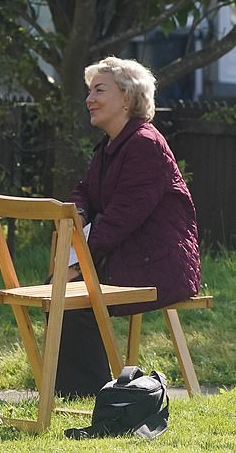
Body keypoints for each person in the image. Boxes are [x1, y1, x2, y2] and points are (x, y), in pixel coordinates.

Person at [55, 56, 202, 397]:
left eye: (99, 90)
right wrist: (77, 210)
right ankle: (73, 394)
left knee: (74, 295)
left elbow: (122, 218)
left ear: (127, 97)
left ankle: (92, 397)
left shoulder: (144, 145)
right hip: (129, 257)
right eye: (89, 91)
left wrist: (80, 263)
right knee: (61, 290)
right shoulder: (110, 145)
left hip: (158, 266)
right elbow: (86, 191)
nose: (89, 98)